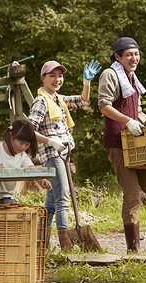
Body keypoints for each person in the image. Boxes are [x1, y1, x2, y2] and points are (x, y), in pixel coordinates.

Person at [98, 36, 146, 254]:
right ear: (118, 56)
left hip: (137, 143)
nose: (134, 58)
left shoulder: (132, 78)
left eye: (136, 54)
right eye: (129, 54)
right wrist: (127, 121)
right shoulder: (111, 74)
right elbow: (104, 106)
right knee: (133, 195)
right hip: (118, 142)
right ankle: (133, 251)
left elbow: (135, 111)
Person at [28, 59, 101, 250]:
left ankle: (40, 244)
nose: (57, 79)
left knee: (51, 203)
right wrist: (51, 141)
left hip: (62, 154)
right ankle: (66, 245)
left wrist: (87, 82)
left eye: (60, 76)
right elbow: (29, 131)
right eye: (52, 75)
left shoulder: (58, 99)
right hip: (53, 154)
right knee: (63, 199)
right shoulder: (41, 101)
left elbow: (84, 102)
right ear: (43, 78)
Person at [0, 119, 52, 205]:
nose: (23, 147)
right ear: (10, 135)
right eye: (21, 143)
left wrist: (42, 180)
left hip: (8, 198)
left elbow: (32, 170)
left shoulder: (22, 156)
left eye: (27, 144)